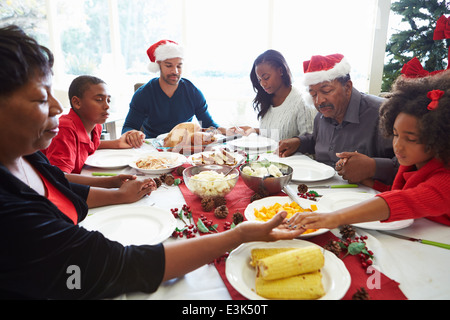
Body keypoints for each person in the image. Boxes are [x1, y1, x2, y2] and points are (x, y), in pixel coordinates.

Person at [0, 26, 303, 299]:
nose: (57, 106)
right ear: (159, 66)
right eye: (41, 98)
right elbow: (124, 266)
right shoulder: (13, 216)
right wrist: (237, 235)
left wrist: (115, 191)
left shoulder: (27, 157)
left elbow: (57, 183)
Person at [288, 70, 450, 230]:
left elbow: (406, 199)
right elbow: (395, 190)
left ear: (439, 138)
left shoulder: (445, 180)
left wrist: (334, 217)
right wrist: (371, 182)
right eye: (394, 134)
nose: (398, 146)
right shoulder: (411, 164)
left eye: (411, 139)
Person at [277, 54, 396, 185]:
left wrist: (373, 167)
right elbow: (319, 140)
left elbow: (410, 165)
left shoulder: (382, 113)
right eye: (313, 94)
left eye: (326, 91)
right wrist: (299, 142)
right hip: (321, 192)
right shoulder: (322, 115)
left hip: (366, 197)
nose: (319, 101)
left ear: (348, 87)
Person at [43, 75, 145, 187]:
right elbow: (57, 178)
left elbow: (85, 146)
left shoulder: (95, 126)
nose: (107, 106)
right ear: (77, 103)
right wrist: (109, 182)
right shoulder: (65, 129)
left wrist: (117, 143)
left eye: (108, 100)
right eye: (99, 100)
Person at [121, 40, 221, 139]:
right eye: (169, 65)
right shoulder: (143, 94)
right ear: (159, 65)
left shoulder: (193, 92)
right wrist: (132, 134)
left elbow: (209, 125)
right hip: (152, 147)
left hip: (183, 146)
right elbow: (128, 127)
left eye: (179, 66)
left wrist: (227, 131)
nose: (175, 71)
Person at [231, 50, 316, 141]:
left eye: (266, 77)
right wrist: (254, 130)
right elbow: (276, 133)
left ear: (280, 71)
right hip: (267, 155)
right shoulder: (267, 100)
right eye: (259, 80)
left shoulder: (302, 102)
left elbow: (310, 144)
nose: (263, 84)